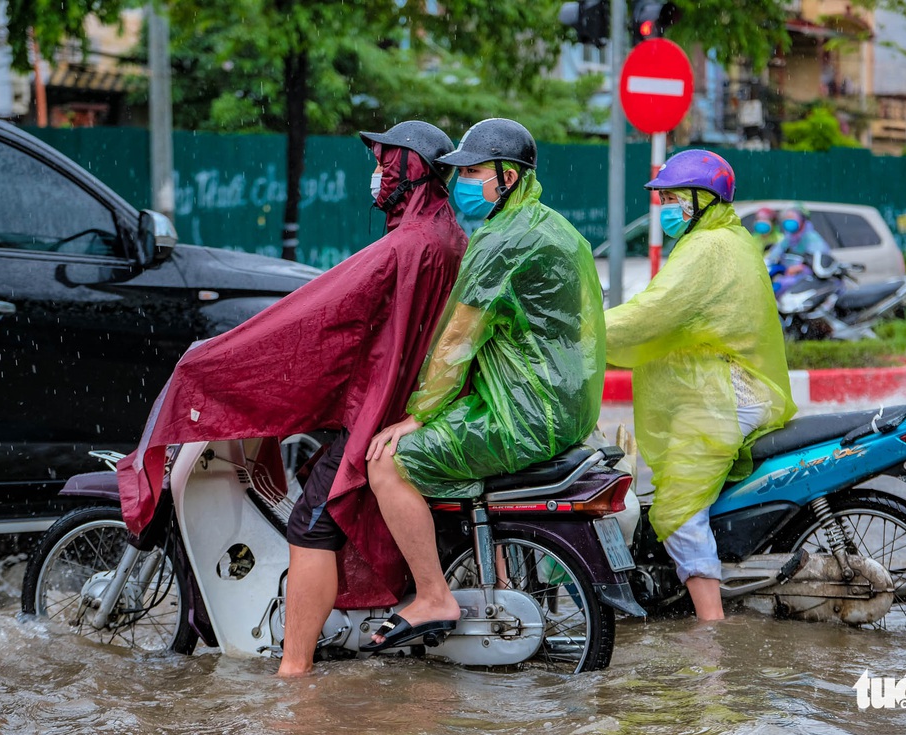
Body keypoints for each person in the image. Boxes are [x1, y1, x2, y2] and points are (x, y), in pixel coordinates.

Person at [113, 121, 468, 678]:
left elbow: (319, 315)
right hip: (410, 401)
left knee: (312, 519)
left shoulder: (405, 244)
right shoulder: (446, 234)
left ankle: (294, 672)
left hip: (384, 409)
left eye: (384, 163)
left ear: (410, 169)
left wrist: (231, 354)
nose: (376, 176)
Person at [359, 118, 606, 651]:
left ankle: (431, 595)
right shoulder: (554, 227)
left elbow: (456, 341)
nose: (462, 182)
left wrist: (417, 413)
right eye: (459, 171)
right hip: (563, 409)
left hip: (524, 415)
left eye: (474, 171)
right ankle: (491, 572)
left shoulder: (501, 240)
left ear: (509, 178)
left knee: (386, 460)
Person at [603, 149, 796, 621]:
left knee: (677, 507)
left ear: (701, 199)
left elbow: (653, 312)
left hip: (724, 392)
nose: (665, 206)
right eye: (663, 197)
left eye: (672, 197)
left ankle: (712, 631)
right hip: (736, 386)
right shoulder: (729, 237)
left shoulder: (707, 247)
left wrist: (586, 331)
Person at [764, 204, 831, 293]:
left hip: (807, 284)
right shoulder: (788, 238)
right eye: (786, 218)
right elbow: (774, 254)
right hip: (788, 280)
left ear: (802, 219)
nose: (788, 221)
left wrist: (800, 268)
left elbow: (819, 262)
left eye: (792, 217)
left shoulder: (812, 239)